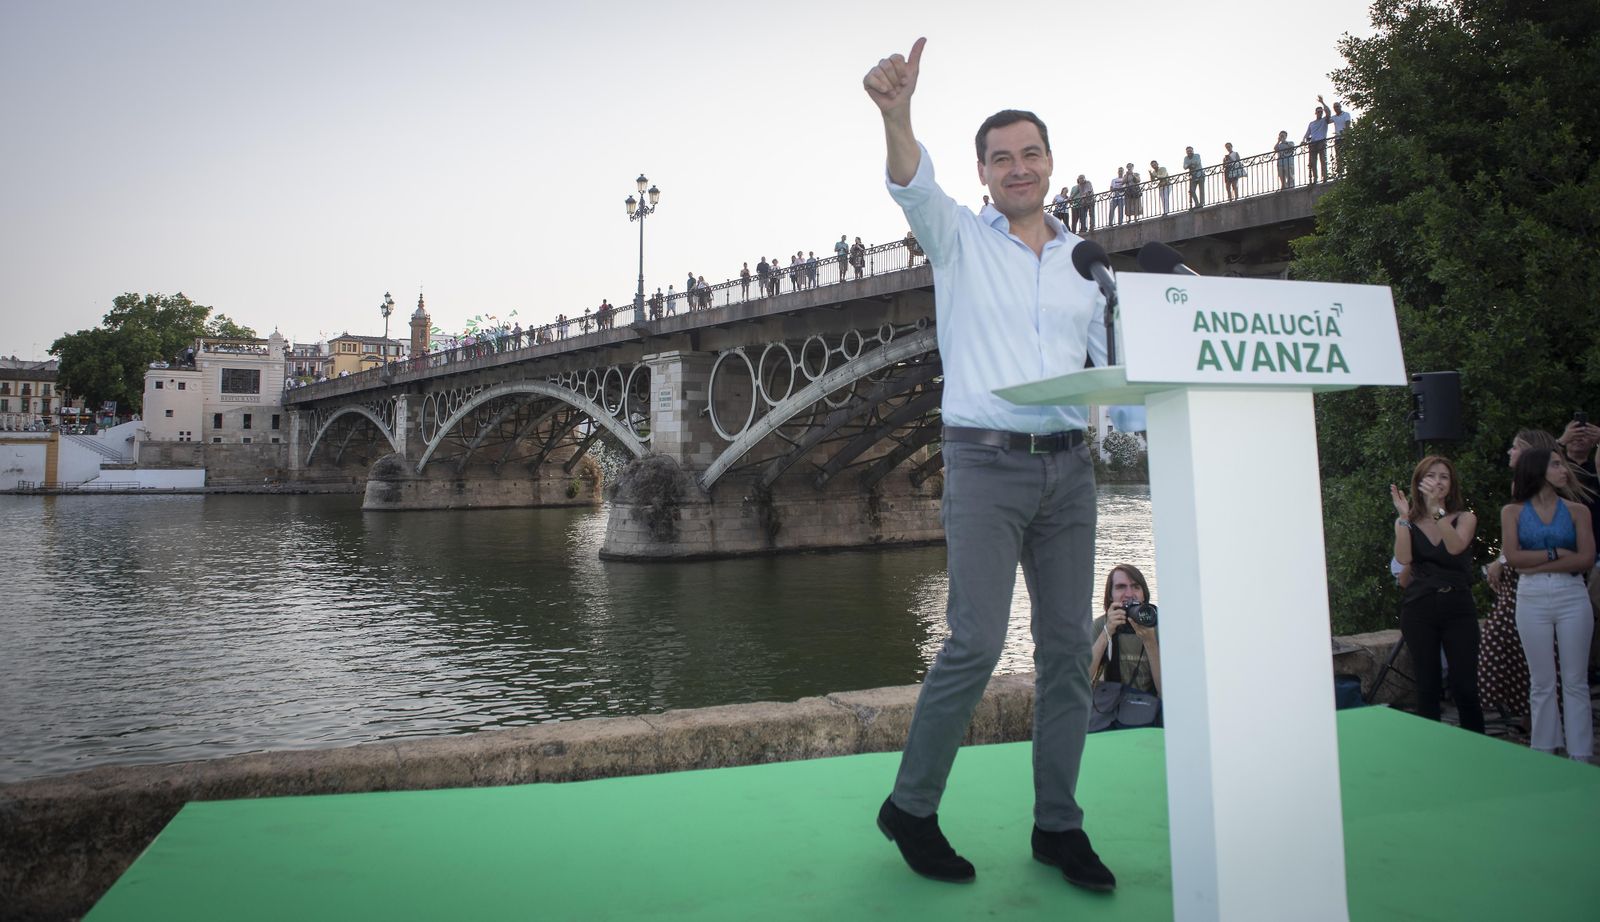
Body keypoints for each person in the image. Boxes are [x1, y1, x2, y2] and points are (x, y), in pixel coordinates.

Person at [863, 36, 1115, 892]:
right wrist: (898, 114)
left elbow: (1112, 362)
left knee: (1067, 650)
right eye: (1001, 158)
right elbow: (912, 185)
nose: (1017, 168)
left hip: (1069, 470)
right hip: (985, 464)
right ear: (982, 173)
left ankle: (1058, 826)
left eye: (1029, 153)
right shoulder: (960, 242)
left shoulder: (1086, 264)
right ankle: (912, 808)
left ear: (1050, 163)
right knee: (974, 642)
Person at [1501, 445, 1595, 761]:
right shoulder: (1512, 512)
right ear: (1538, 470)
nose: (1563, 470)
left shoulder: (1578, 511)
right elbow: (1513, 557)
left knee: (1575, 680)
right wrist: (1557, 554)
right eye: (1555, 464)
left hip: (1572, 594)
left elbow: (1585, 558)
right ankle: (1543, 749)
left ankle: (1580, 753)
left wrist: (1535, 564)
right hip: (1532, 597)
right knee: (1541, 681)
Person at [1390, 456, 1484, 732]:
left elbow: (1455, 547)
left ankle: (1477, 747)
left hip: (1458, 606)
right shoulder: (1406, 521)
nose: (1438, 481)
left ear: (1451, 484)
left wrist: (1437, 512)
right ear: (1419, 483)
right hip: (1419, 609)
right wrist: (1404, 519)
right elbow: (1404, 558)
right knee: (1427, 686)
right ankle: (1431, 749)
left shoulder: (1465, 517)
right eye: (1431, 476)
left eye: (1444, 476)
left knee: (1465, 686)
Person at [1482, 430, 1561, 727]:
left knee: (1523, 647)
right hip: (1519, 578)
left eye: (1515, 447)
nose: (1509, 452)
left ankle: (1540, 718)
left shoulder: (1546, 490)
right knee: (1512, 644)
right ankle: (1530, 714)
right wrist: (1501, 560)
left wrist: (1504, 560)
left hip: (1536, 578)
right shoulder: (1521, 486)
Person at [1091, 564, 1162, 697]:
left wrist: (1150, 642)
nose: (1129, 594)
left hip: (1151, 704)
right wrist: (1106, 633)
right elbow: (1082, 679)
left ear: (1144, 594)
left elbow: (1166, 692)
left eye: (1136, 587)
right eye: (1121, 587)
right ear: (1110, 595)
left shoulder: (1160, 627)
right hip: (1112, 704)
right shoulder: (1101, 625)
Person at [1303, 102, 1332, 184]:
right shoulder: (1311, 123)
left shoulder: (1324, 120)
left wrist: (1322, 102)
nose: (1320, 113)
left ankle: (1324, 177)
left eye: (1321, 112)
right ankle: (1315, 178)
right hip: (1313, 143)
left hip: (1321, 142)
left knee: (1323, 160)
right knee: (1313, 162)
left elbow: (1328, 112)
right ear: (1315, 113)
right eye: (1318, 112)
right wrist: (1303, 140)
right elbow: (1307, 133)